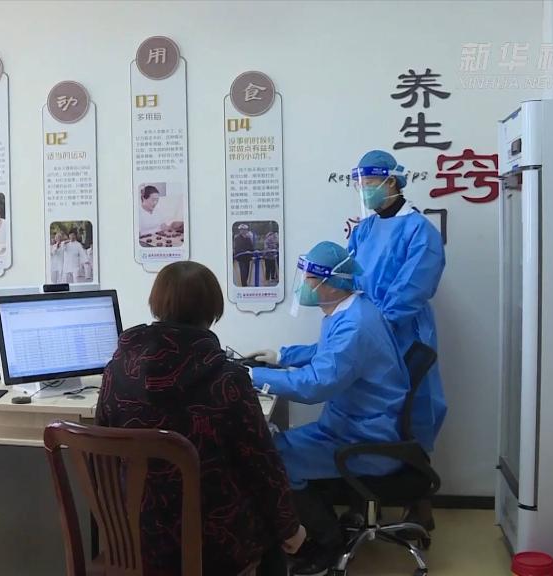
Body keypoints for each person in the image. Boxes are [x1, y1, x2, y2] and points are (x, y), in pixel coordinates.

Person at [98, 261, 306, 576]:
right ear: (213, 311)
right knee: (273, 547)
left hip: (136, 540)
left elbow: (105, 450)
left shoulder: (116, 371)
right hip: (215, 546)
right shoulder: (227, 379)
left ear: (156, 304)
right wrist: (290, 529)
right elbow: (262, 466)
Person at [248, 242, 409, 575]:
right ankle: (319, 527)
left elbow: (314, 385)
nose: (304, 285)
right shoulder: (353, 308)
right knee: (277, 445)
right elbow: (327, 351)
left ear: (332, 283)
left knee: (275, 457)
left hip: (365, 439)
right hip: (353, 424)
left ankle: (326, 545)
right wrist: (282, 356)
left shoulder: (355, 325)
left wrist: (253, 376)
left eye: (310, 278)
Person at [349, 150, 446, 528]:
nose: (366, 190)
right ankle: (361, 498)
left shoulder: (419, 230)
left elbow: (412, 287)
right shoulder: (364, 230)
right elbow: (349, 280)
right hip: (366, 334)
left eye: (371, 182)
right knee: (363, 411)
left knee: (409, 415)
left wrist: (379, 329)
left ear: (392, 181)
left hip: (403, 335)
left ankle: (418, 503)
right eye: (361, 183)